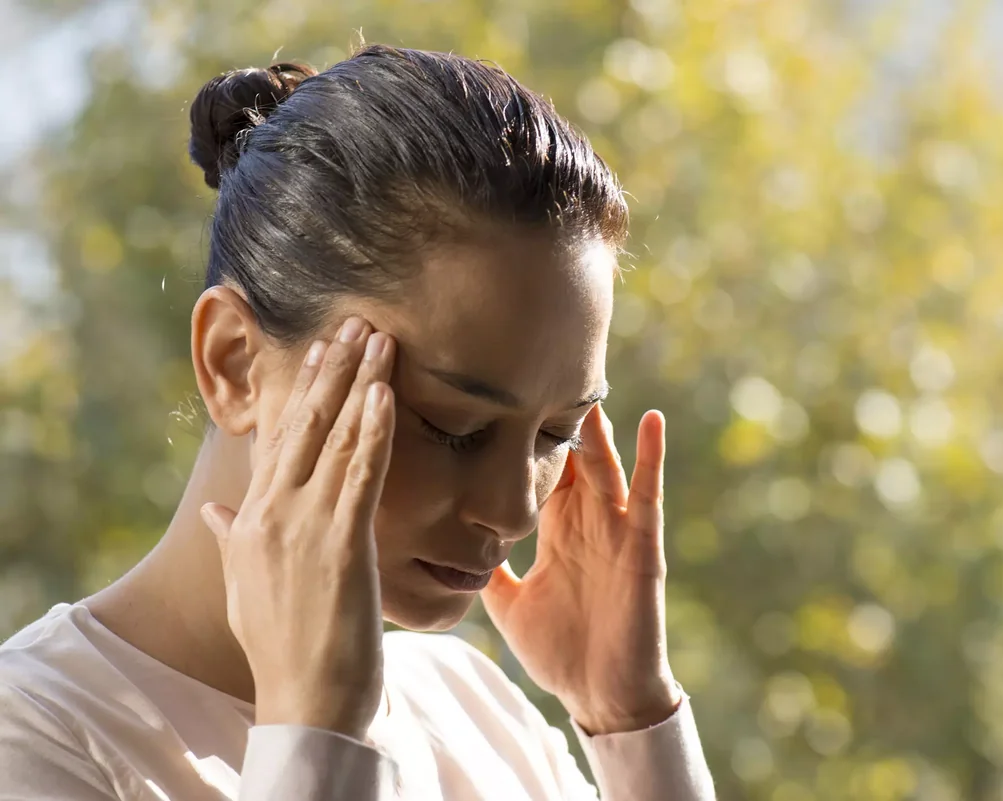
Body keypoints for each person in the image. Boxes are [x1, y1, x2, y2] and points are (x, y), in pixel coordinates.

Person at [0, 45, 716, 800]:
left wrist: (633, 721)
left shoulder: (472, 710)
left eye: (553, 435)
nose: (513, 512)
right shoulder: (36, 741)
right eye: (454, 425)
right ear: (235, 362)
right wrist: (315, 735)